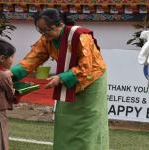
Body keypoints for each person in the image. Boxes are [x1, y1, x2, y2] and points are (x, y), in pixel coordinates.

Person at [8, 8, 109, 150]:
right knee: (64, 119)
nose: (44, 35)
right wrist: (11, 74)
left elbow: (86, 66)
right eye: (41, 31)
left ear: (60, 24)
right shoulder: (47, 39)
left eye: (47, 30)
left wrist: (61, 78)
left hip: (91, 80)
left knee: (87, 123)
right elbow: (34, 58)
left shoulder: (80, 36)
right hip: (67, 79)